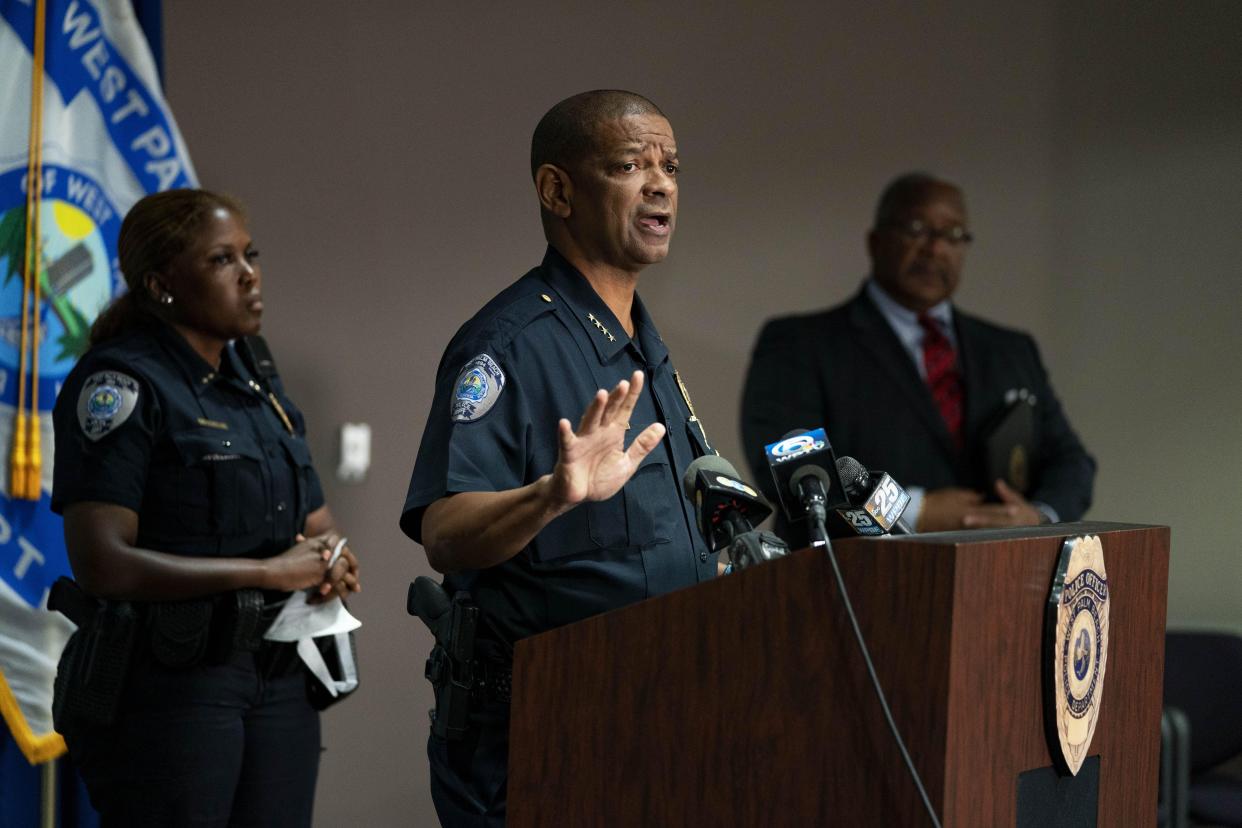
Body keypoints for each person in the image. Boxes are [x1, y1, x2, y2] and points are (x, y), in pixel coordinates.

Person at [401, 90, 716, 826]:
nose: (661, 182)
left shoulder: (642, 342)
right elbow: (445, 534)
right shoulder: (508, 345)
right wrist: (551, 495)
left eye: (670, 165)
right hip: (541, 731)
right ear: (557, 190)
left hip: (655, 716)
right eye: (631, 165)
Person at [49, 188, 360, 827]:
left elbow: (316, 523)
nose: (249, 274)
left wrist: (333, 559)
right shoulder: (121, 385)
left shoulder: (257, 379)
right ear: (163, 285)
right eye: (222, 260)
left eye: (250, 254)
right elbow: (102, 564)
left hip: (277, 670)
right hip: (174, 685)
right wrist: (269, 573)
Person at [740, 172, 1095, 540]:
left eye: (953, 235)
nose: (935, 248)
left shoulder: (1012, 350)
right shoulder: (798, 343)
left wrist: (1037, 516)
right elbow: (790, 473)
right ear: (875, 242)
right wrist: (915, 510)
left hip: (994, 579)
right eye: (916, 229)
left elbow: (1072, 463)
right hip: (852, 579)